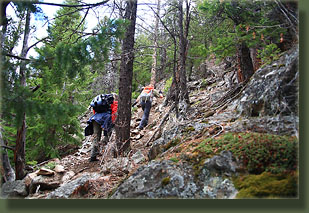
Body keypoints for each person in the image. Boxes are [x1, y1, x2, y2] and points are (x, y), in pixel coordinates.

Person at [85, 93, 118, 162]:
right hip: (107, 119)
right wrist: (113, 122)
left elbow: (94, 111)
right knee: (110, 136)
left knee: (96, 137)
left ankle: (93, 156)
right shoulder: (114, 102)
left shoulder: (100, 102)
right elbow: (114, 112)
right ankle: (112, 154)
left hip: (95, 119)